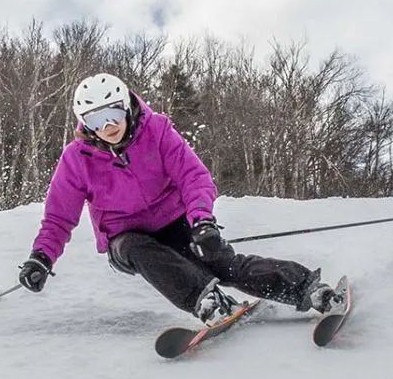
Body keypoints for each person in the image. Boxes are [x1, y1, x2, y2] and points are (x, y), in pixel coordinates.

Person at [17, 72, 345, 325]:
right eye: (96, 120)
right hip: (126, 238)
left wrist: (202, 222)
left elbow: (193, 176)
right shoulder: (77, 160)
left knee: (221, 262)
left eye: (114, 114)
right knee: (136, 248)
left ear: (126, 106)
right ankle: (206, 301)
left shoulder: (156, 131)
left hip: (175, 221)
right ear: (84, 123)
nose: (109, 126)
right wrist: (41, 258)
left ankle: (308, 289)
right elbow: (59, 218)